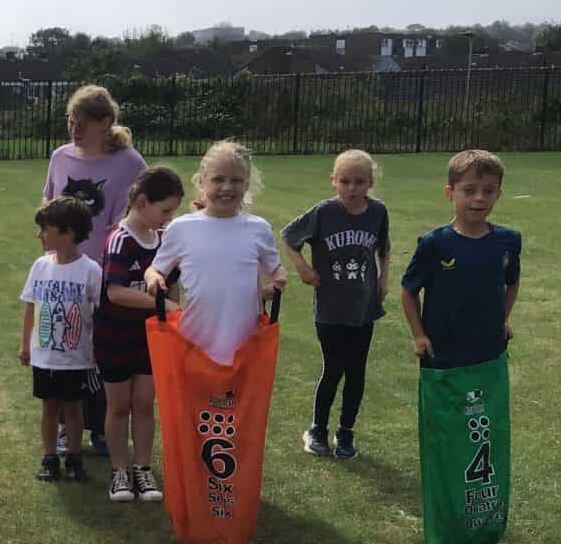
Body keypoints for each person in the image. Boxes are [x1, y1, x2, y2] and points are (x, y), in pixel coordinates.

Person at [42, 85, 149, 458]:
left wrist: (106, 267)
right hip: (63, 271)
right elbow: (48, 204)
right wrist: (51, 250)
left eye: (81, 123)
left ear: (105, 123)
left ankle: (102, 428)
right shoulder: (60, 157)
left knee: (102, 351)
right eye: (70, 121)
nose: (73, 129)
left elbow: (132, 219)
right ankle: (63, 427)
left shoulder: (129, 163)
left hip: (107, 272)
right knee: (65, 346)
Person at [282, 149, 390, 460]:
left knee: (356, 370)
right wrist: (303, 268)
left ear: (370, 182)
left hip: (363, 306)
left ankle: (346, 431)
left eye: (359, 182)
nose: (352, 188)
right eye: (345, 181)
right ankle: (317, 429)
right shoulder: (324, 212)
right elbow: (289, 237)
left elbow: (383, 247)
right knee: (334, 367)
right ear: (334, 180)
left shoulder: (377, 212)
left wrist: (383, 277)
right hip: (330, 307)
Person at [143, 141, 287, 362]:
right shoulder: (181, 228)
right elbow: (155, 269)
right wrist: (153, 278)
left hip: (245, 348)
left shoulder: (258, 228)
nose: (227, 187)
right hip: (194, 345)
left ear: (247, 184)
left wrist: (276, 282)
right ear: (202, 180)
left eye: (236, 180)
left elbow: (276, 270)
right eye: (218, 179)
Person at [95, 167, 184, 502]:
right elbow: (116, 292)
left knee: (145, 404)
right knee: (119, 406)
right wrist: (162, 306)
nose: (168, 218)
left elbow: (172, 284)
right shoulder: (120, 240)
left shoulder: (163, 240)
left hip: (151, 339)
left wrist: (171, 314)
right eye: (165, 210)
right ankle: (120, 471)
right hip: (115, 336)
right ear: (142, 202)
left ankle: (143, 469)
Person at [401, 149, 521, 369]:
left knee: (489, 393)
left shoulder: (508, 241)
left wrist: (502, 319)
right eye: (469, 190)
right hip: (442, 355)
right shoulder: (434, 244)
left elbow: (512, 281)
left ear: (498, 194)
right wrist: (419, 335)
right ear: (450, 192)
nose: (479, 198)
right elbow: (409, 291)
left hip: (490, 351)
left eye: (489, 191)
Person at [20, 198, 103, 482]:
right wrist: (25, 344)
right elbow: (30, 305)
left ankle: (75, 458)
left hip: (76, 358)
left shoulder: (90, 270)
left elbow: (99, 313)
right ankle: (50, 457)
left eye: (46, 229)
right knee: (49, 408)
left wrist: (97, 351)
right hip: (44, 356)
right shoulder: (40, 266)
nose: (40, 235)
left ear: (68, 232)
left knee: (73, 409)